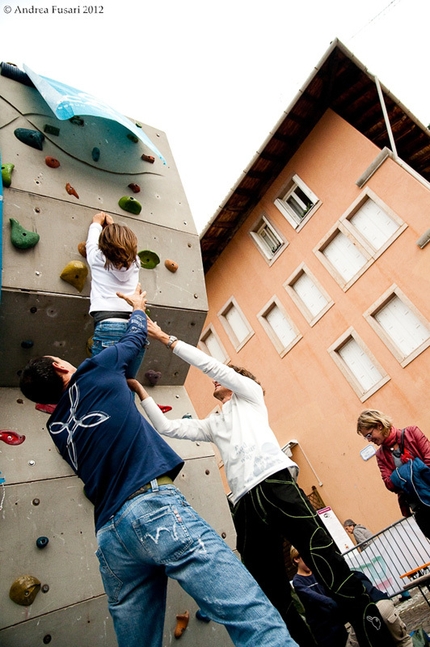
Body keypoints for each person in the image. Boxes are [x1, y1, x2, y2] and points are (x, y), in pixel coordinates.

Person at [18, 284, 298, 647]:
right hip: (153, 509)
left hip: (110, 536)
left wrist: (136, 392)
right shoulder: (95, 371)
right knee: (252, 617)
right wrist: (137, 307)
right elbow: (135, 339)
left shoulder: (56, 429)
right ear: (59, 365)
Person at [128, 319, 396, 647]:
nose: (214, 377)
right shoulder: (214, 422)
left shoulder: (250, 395)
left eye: (223, 375)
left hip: (276, 484)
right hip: (245, 503)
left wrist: (166, 339)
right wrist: (141, 392)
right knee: (269, 588)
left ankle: (377, 638)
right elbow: (170, 428)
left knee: (326, 560)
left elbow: (211, 365)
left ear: (238, 381)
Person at [86, 211, 146, 377]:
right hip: (135, 326)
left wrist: (97, 223)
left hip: (109, 324)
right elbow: (121, 246)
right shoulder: (136, 262)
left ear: (104, 247)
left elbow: (91, 243)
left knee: (102, 382)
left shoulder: (97, 258)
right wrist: (112, 226)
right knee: (127, 383)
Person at [357, 409, 430, 539]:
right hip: (422, 512)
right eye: (366, 437)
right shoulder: (380, 455)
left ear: (379, 425)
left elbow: (429, 461)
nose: (369, 440)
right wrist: (415, 467)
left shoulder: (412, 432)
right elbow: (389, 484)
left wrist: (400, 476)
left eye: (368, 435)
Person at [290, 546, 349, 647]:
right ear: (296, 559)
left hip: (336, 621)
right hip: (323, 629)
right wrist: (333, 603)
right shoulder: (298, 581)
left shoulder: (317, 571)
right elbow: (315, 597)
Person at [347, 571, 412, 647]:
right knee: (403, 641)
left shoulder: (335, 585)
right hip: (382, 603)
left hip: (364, 613)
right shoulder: (355, 574)